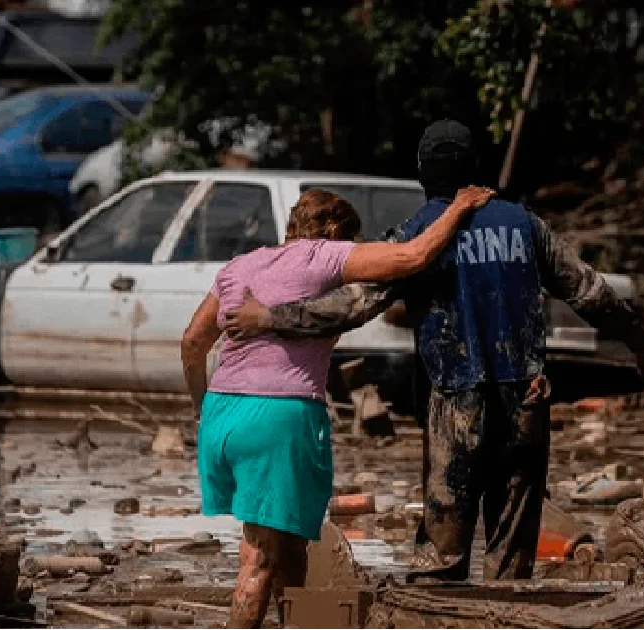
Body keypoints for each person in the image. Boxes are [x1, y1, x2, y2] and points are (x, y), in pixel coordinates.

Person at [222, 120, 644, 583]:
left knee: (441, 551)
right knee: (511, 545)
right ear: (475, 167)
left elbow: (352, 306)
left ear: (422, 173)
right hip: (526, 396)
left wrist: (271, 317)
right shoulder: (524, 224)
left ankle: (436, 611)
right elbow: (590, 291)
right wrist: (640, 342)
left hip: (455, 398)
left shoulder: (419, 235)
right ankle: (508, 609)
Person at [180, 185, 493, 630]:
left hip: (222, 415)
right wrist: (459, 207)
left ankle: (295, 623)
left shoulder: (240, 265)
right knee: (259, 557)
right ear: (331, 230)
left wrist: (201, 408)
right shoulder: (323, 256)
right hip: (278, 416)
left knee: (290, 543)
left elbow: (192, 343)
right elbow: (413, 256)